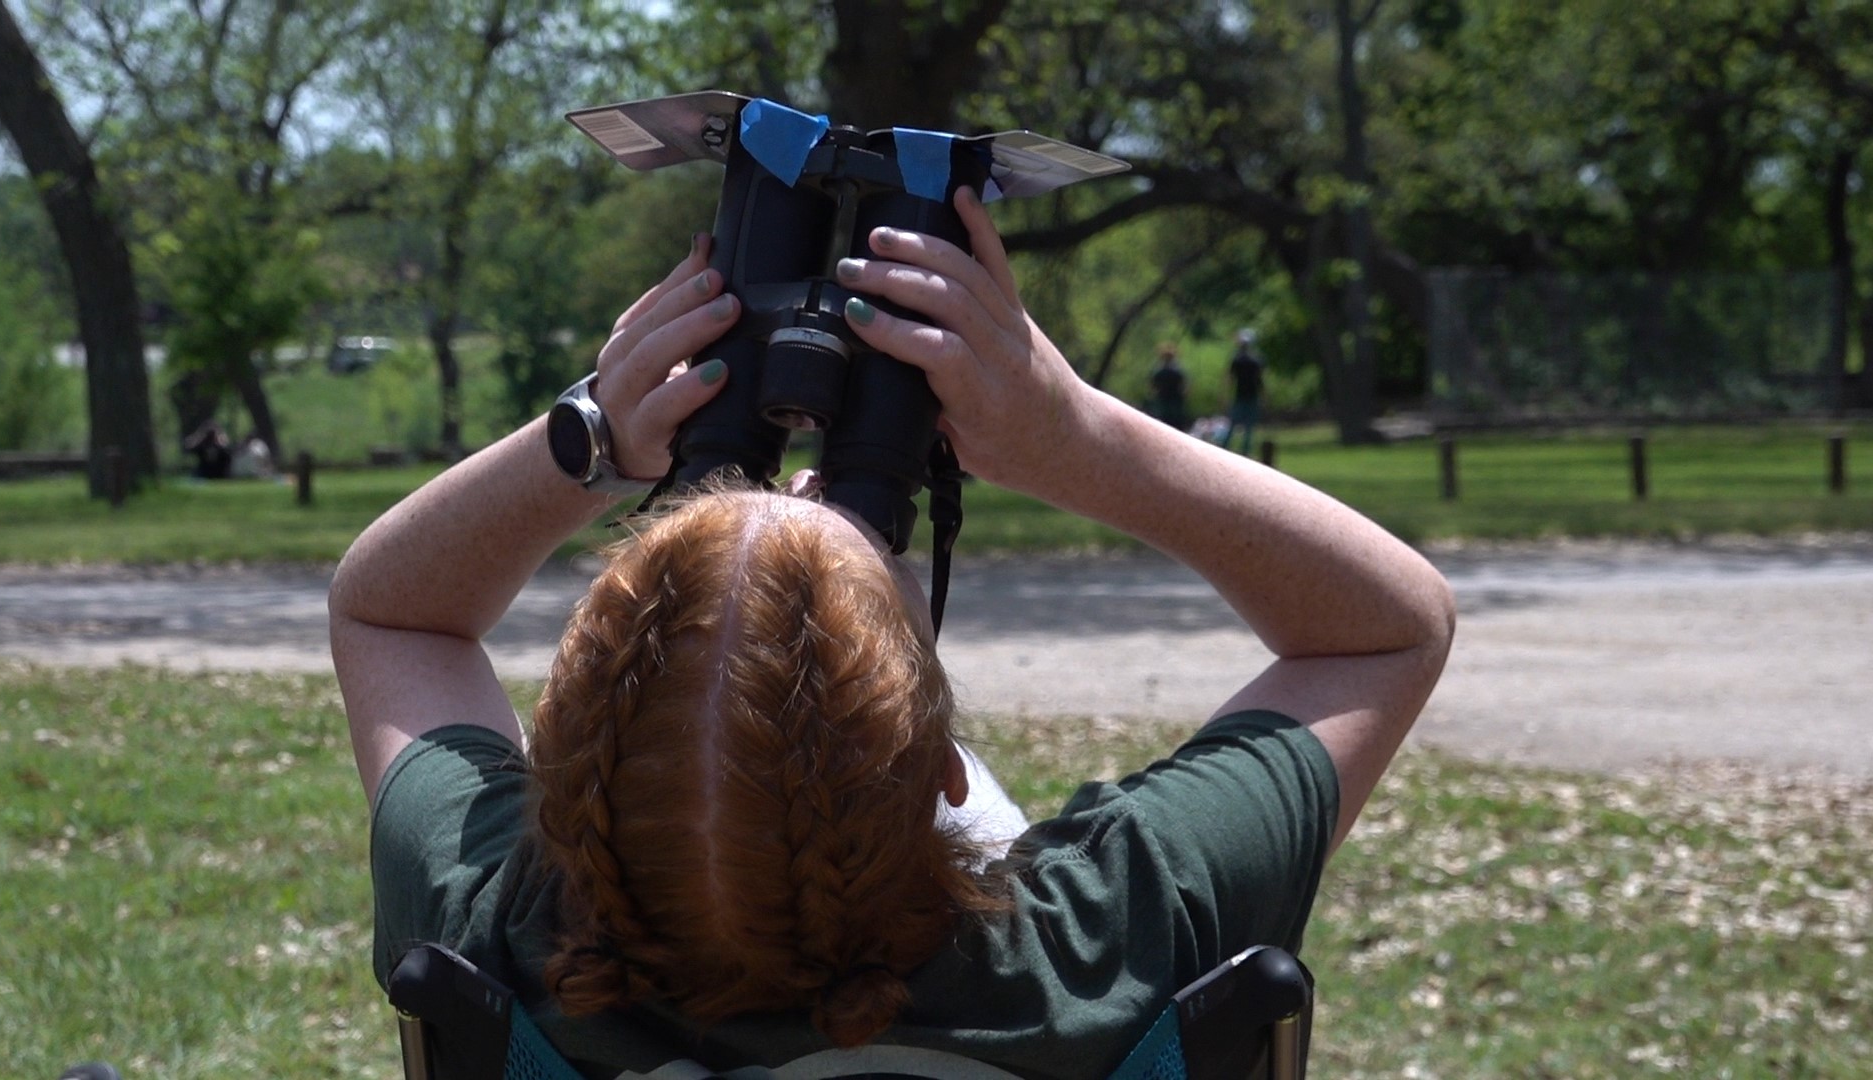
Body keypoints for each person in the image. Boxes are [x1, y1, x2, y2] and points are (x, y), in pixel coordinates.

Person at [331, 189, 1454, 1078]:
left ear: (560, 763)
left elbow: (390, 610)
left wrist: (587, 441)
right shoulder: (1100, 942)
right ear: (947, 773)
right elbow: (1386, 627)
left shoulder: (496, 925)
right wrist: (1072, 439)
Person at [1223, 328, 1265, 456]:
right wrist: (1265, 396)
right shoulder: (1256, 360)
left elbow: (1229, 379)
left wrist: (1224, 395)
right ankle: (1245, 451)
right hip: (1252, 396)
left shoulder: (1236, 360)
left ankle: (1224, 447)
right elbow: (1260, 380)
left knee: (1233, 424)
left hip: (1240, 396)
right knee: (1249, 427)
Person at [1146, 343, 1188, 429]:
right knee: (1171, 420)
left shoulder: (1160, 370)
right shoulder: (1176, 369)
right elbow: (1184, 385)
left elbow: (1152, 385)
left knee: (1165, 419)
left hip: (1168, 399)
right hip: (1170, 399)